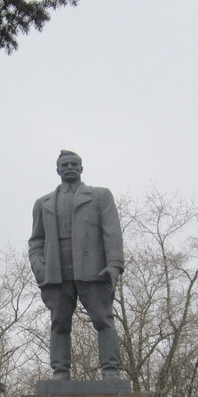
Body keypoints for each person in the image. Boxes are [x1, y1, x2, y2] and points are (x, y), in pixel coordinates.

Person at [29, 150, 124, 379]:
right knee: (59, 324)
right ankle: (60, 372)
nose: (69, 167)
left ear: (81, 168)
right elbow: (36, 240)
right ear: (58, 169)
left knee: (103, 320)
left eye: (74, 164)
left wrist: (114, 265)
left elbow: (112, 232)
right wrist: (39, 267)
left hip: (93, 271)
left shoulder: (100, 196)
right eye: (65, 164)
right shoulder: (43, 203)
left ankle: (111, 371)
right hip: (56, 273)